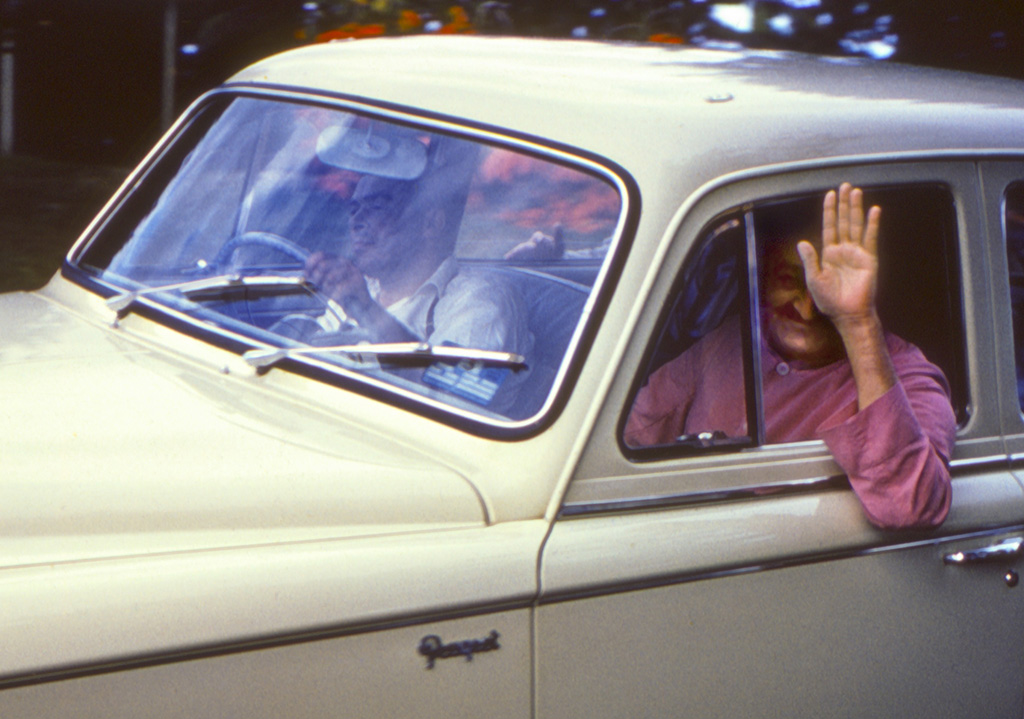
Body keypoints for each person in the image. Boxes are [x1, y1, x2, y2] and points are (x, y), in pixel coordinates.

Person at [625, 183, 956, 530]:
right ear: (764, 276)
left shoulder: (907, 374)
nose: (808, 307)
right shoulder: (730, 340)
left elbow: (910, 508)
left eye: (829, 289)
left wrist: (856, 321)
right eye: (791, 278)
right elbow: (638, 428)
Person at [301, 139, 534, 410]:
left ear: (430, 223)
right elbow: (312, 354)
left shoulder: (483, 301)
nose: (357, 220)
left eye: (377, 206)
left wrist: (367, 311)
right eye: (354, 208)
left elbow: (451, 402)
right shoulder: (366, 287)